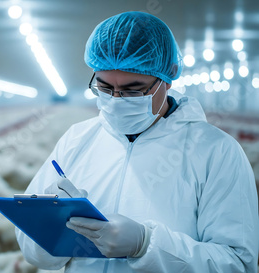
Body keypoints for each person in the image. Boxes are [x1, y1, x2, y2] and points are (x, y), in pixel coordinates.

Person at [15, 11, 259, 272]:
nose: (117, 100)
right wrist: (50, 226)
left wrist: (146, 245)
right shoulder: (77, 139)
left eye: (133, 90)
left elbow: (237, 264)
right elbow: (35, 253)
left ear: (168, 77)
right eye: (105, 88)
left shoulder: (217, 152)